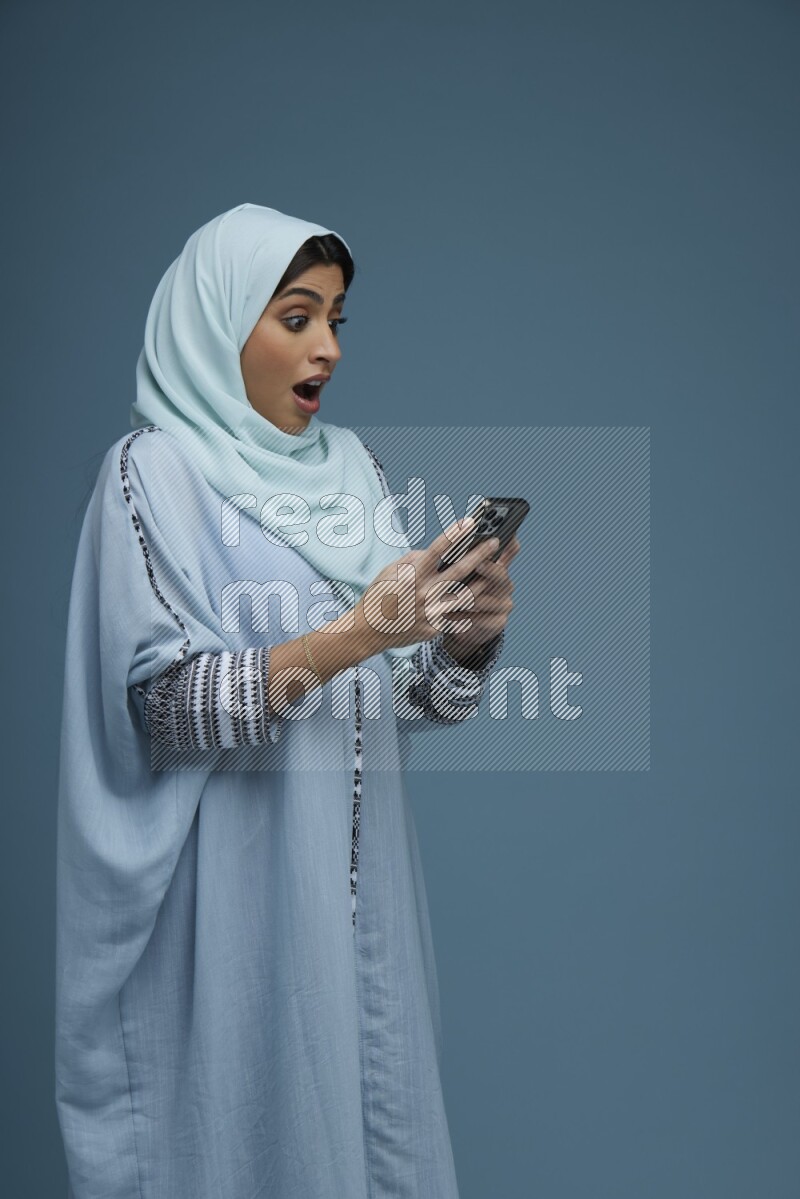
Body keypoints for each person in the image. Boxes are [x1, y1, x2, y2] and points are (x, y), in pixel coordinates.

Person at [55, 202, 519, 1199]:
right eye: (296, 316)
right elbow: (163, 709)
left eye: (337, 321)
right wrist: (360, 632)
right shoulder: (151, 475)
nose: (327, 349)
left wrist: (468, 638)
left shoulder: (350, 474)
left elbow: (414, 703)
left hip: (362, 915)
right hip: (234, 906)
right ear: (218, 325)